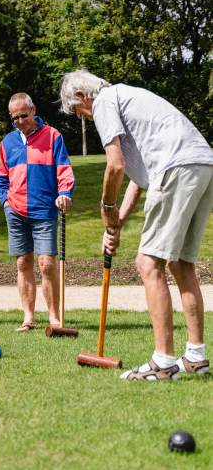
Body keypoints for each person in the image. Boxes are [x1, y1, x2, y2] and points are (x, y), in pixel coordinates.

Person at [59, 69, 213, 380]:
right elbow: (136, 179)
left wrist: (106, 206)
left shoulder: (103, 102)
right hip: (203, 165)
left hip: (177, 166)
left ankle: (163, 363)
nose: (84, 118)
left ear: (82, 97)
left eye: (78, 112)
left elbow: (115, 165)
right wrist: (115, 225)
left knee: (147, 262)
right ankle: (196, 357)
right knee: (181, 264)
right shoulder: (126, 98)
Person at [0, 92, 75, 331]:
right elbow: (1, 179)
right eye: (15, 117)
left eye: (24, 115)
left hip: (44, 210)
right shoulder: (7, 142)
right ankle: (28, 317)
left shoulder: (52, 136)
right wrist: (5, 201)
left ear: (33, 110)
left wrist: (65, 193)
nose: (20, 120)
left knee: (47, 263)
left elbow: (64, 169)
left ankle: (54, 317)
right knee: (23, 262)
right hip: (16, 209)